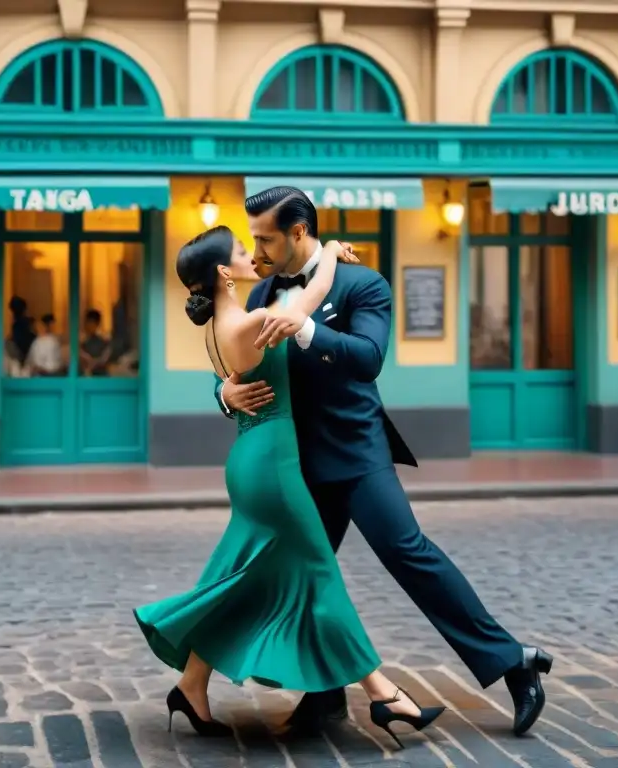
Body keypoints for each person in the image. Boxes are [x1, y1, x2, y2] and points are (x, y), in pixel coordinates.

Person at [215, 187, 552, 738]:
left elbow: (368, 360)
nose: (258, 248)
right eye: (252, 237)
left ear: (298, 232)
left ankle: (514, 664)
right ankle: (323, 698)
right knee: (307, 578)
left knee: (409, 555)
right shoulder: (263, 296)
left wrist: (306, 328)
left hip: (357, 454)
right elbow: (238, 362)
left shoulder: (361, 283)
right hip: (296, 468)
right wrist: (223, 395)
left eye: (266, 237)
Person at [134, 226, 445, 747]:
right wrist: (328, 252)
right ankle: (384, 693)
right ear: (221, 273)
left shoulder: (221, 324)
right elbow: (313, 297)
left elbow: (241, 368)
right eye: (240, 251)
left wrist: (227, 392)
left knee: (249, 576)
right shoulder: (254, 318)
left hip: (253, 460)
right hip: (273, 470)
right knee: (319, 574)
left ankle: (191, 684)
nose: (251, 256)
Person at [79, 309, 111, 376]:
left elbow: (104, 359)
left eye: (91, 323)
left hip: (100, 377)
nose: (89, 326)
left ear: (97, 324)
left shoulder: (104, 342)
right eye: (88, 323)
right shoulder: (83, 343)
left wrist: (92, 362)